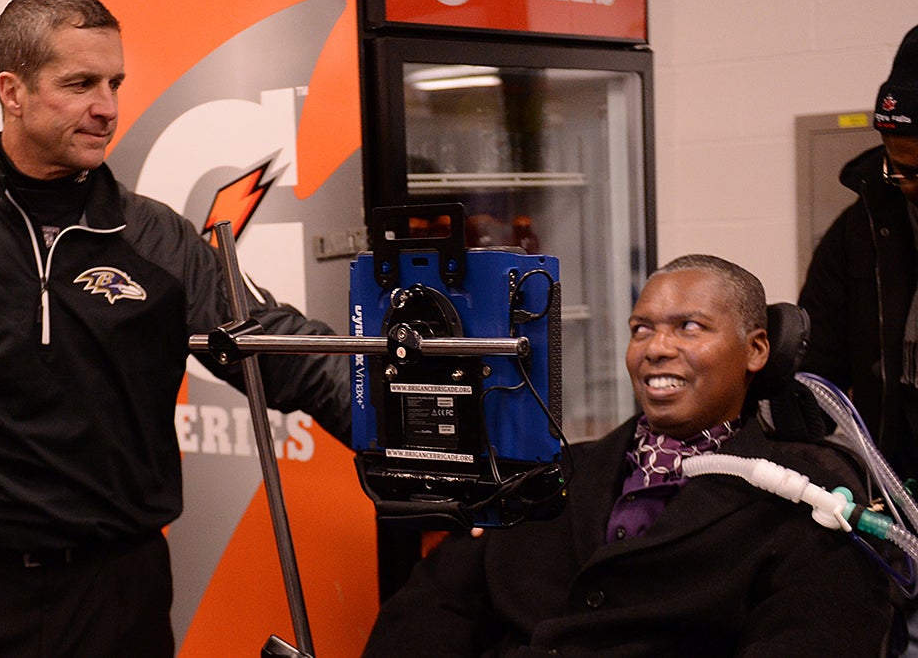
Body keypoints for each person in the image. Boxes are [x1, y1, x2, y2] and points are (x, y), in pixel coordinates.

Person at [0, 0, 350, 657]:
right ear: (12, 91)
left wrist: (419, 418)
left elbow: (281, 351)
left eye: (114, 82)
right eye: (79, 83)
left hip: (115, 596)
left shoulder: (159, 241)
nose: (107, 107)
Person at [363, 255, 896, 657]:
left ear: (756, 349)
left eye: (689, 327)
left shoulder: (809, 498)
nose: (655, 348)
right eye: (641, 328)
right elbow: (436, 604)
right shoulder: (552, 476)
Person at [799, 24, 918, 484]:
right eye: (897, 166)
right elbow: (814, 368)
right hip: (893, 484)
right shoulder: (863, 227)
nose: (908, 185)